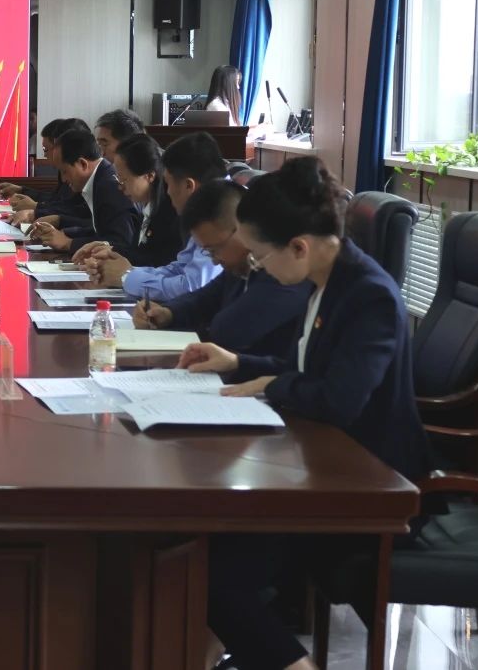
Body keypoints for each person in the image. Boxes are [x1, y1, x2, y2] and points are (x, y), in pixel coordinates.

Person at [178, 157, 432, 670]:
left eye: (259, 257)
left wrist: (273, 384)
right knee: (203, 551)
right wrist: (238, 362)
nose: (256, 268)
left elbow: (339, 398)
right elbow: (306, 370)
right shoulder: (328, 282)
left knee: (214, 572)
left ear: (298, 247)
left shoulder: (368, 295)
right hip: (324, 465)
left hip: (370, 483)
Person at [135, 179, 310, 358]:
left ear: (241, 229)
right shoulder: (238, 267)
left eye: (214, 249)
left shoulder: (280, 266)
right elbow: (206, 298)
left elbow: (227, 330)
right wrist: (168, 312)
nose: (215, 261)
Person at [76, 131, 226, 301]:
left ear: (188, 186)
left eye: (168, 184)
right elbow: (179, 268)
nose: (167, 192)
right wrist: (127, 273)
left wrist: (126, 277)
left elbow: (191, 286)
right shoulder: (209, 207)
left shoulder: (220, 213)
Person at [27, 128, 139, 256]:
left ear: (83, 164)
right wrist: (63, 234)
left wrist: (69, 243)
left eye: (64, 171)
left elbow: (121, 241)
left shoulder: (110, 186)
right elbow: (100, 230)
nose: (63, 179)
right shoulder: (101, 176)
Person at [101, 133, 182, 268]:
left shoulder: (171, 211)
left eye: (124, 180)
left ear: (149, 176)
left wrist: (113, 252)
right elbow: (139, 253)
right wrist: (108, 248)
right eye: (118, 179)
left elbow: (159, 263)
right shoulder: (146, 206)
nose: (120, 187)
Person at [1, 118, 90, 228]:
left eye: (45, 149)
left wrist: (36, 209)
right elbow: (57, 200)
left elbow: (76, 213)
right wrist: (23, 191)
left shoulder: (92, 176)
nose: (44, 155)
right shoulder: (68, 171)